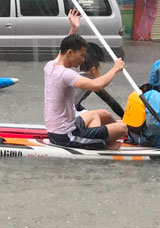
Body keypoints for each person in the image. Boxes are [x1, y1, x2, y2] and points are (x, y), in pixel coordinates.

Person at [44, 9, 128, 150]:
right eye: (82, 55)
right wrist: (115, 69)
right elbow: (96, 85)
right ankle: (102, 144)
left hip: (59, 129)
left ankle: (98, 140)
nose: (83, 60)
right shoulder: (66, 74)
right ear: (70, 53)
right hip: (66, 136)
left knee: (99, 115)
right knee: (123, 128)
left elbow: (65, 46)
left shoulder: (51, 65)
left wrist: (74, 28)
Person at [74, 52, 125, 119]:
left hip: (64, 110)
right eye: (99, 69)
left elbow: (76, 103)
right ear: (94, 70)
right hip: (67, 116)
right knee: (105, 116)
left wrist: (86, 111)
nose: (99, 73)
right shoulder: (90, 81)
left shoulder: (76, 76)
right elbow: (110, 100)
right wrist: (124, 116)